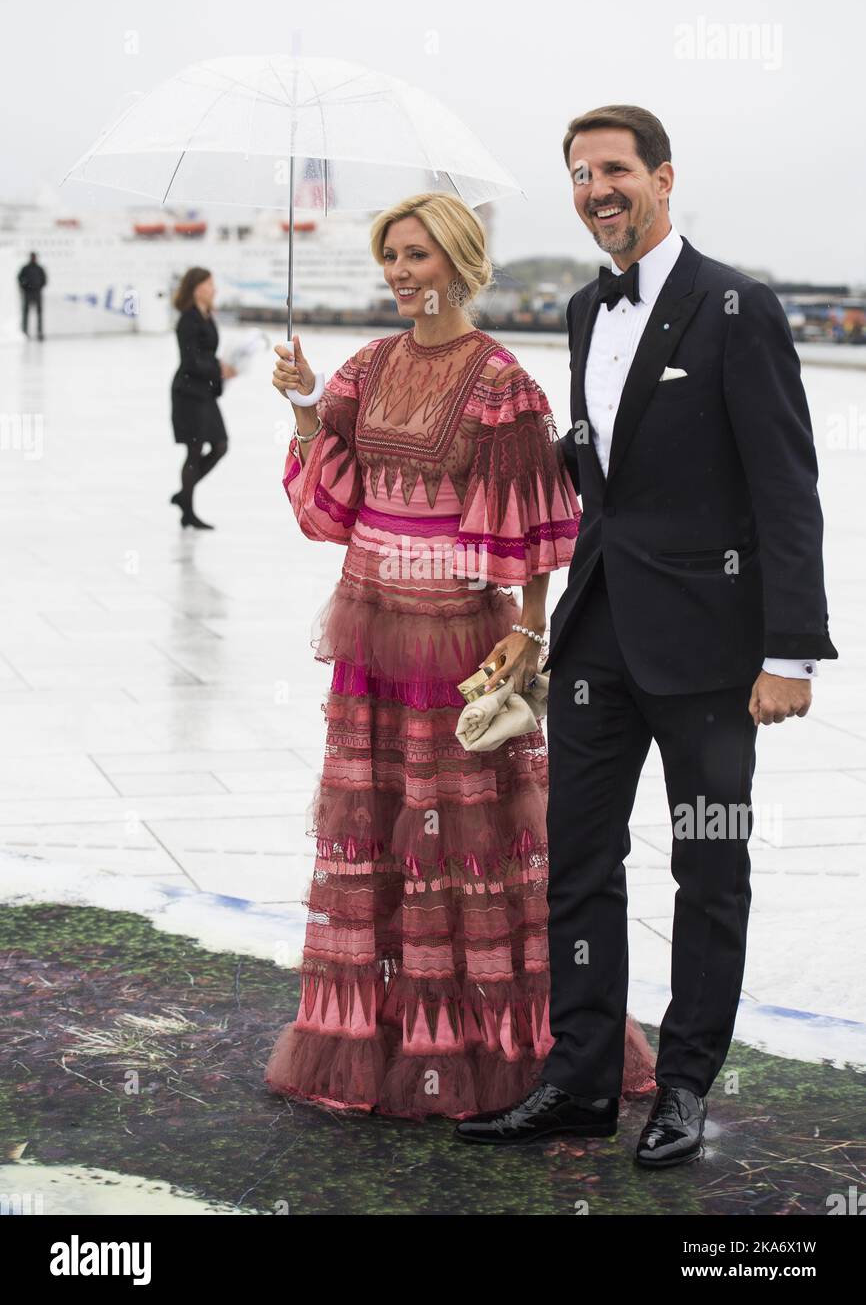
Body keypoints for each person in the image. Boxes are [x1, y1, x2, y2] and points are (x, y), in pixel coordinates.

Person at [454, 105, 838, 1166]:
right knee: (577, 861)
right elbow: (600, 485)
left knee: (708, 866)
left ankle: (681, 1086)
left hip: (713, 653)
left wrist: (788, 650)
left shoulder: (736, 305)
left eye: (613, 170)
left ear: (663, 178)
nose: (595, 190)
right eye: (578, 176)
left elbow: (785, 486)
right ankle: (577, 1081)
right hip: (597, 639)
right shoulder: (583, 309)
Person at [263, 191, 658, 1121]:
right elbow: (327, 513)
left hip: (460, 647)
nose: (401, 273)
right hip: (369, 635)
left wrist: (528, 633)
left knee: (468, 844)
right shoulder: (364, 367)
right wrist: (308, 408)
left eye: (418, 256)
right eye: (390, 256)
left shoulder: (502, 384)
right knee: (377, 835)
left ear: (460, 263)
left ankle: (487, 1044)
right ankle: (380, 1035)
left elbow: (530, 536)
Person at [170, 268, 237, 529]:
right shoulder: (188, 319)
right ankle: (187, 509)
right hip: (188, 394)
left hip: (204, 392)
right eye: (210, 284)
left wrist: (223, 366)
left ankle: (184, 496)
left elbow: (205, 355)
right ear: (197, 288)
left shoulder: (205, 315)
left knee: (220, 445)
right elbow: (190, 361)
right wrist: (219, 368)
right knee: (195, 449)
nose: (214, 289)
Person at [18, 252, 47, 340]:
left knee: (39, 314)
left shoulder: (39, 268)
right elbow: (20, 278)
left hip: (37, 293)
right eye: (32, 257)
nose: (34, 258)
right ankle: (24, 332)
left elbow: (44, 279)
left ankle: (39, 332)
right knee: (26, 313)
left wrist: (39, 287)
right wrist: (25, 287)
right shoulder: (25, 268)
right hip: (28, 293)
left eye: (35, 257)